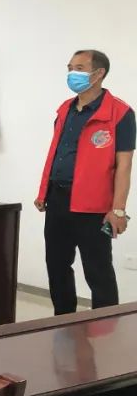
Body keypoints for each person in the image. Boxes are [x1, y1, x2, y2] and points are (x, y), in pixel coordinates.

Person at [35, 50, 134, 314]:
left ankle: (106, 327)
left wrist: (118, 209)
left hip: (93, 205)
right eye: (70, 67)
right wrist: (44, 191)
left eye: (79, 68)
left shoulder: (120, 113)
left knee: (98, 270)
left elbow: (124, 166)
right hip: (58, 198)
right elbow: (56, 152)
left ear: (98, 73)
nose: (72, 74)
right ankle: (63, 321)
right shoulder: (65, 109)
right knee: (57, 265)